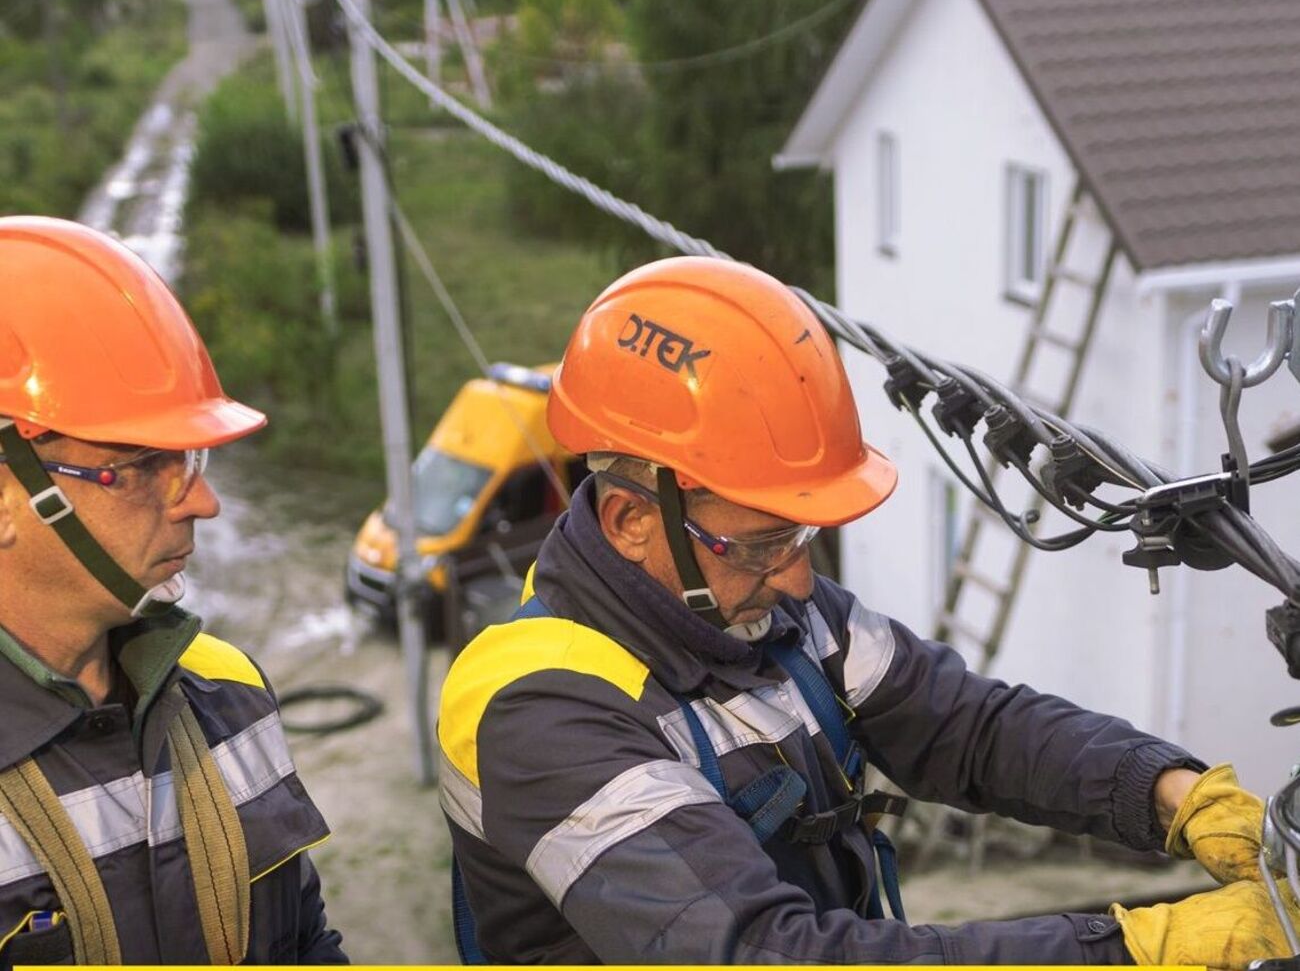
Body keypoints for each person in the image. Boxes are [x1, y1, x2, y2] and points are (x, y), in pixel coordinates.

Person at [439, 255, 1299, 965]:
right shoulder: (539, 710)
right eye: (767, 539)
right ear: (632, 519)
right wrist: (1135, 949)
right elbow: (764, 954)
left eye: (805, 534)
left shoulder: (756, 610)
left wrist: (1172, 793)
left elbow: (969, 726)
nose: (802, 581)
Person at [0, 216, 347, 965]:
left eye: (186, 458)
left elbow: (307, 941)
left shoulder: (229, 690)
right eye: (139, 462)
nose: (199, 501)